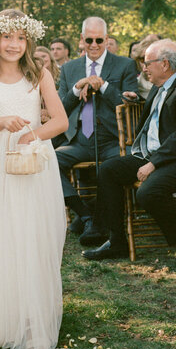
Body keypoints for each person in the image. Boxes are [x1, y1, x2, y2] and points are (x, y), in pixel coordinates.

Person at [0, 9, 68, 349]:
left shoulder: (38, 74)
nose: (13, 44)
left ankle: (33, 314)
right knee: (3, 233)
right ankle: (4, 316)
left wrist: (31, 135)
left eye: (20, 38)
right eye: (7, 37)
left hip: (34, 162)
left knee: (33, 233)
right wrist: (1, 122)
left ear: (29, 41)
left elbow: (60, 121)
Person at [83, 40, 176, 266]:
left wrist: (154, 163)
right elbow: (166, 111)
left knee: (147, 193)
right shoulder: (160, 85)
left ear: (164, 64)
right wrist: (139, 101)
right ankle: (117, 241)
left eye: (147, 63)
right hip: (150, 153)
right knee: (108, 170)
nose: (143, 68)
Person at [56, 16, 138, 244]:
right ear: (81, 39)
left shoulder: (125, 65)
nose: (94, 45)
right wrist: (76, 88)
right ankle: (85, 215)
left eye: (99, 40)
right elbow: (60, 108)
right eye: (89, 40)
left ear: (107, 39)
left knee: (119, 167)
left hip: (114, 139)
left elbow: (130, 103)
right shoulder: (69, 68)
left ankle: (110, 230)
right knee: (48, 162)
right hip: (79, 140)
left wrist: (103, 86)